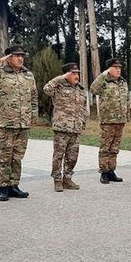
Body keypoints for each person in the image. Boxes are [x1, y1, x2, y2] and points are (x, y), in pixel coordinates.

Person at [0, 44, 37, 201]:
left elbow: (34, 96)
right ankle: (3, 187)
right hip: (6, 123)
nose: (20, 58)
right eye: (17, 55)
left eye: (22, 56)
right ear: (9, 58)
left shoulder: (28, 75)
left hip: (23, 123)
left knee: (17, 157)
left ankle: (14, 186)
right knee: (6, 156)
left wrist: (33, 116)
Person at [43, 62, 88, 192]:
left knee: (72, 156)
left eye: (77, 73)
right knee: (59, 155)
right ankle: (57, 180)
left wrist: (83, 123)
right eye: (73, 73)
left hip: (76, 128)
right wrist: (60, 78)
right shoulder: (58, 87)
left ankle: (67, 178)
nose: (76, 76)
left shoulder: (80, 89)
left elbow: (83, 108)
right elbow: (46, 89)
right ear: (66, 75)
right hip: (62, 128)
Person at [90, 58, 129, 184]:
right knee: (105, 147)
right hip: (108, 120)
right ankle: (104, 172)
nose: (118, 70)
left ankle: (111, 170)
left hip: (120, 120)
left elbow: (127, 100)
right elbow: (93, 89)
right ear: (108, 69)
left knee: (115, 147)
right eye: (115, 67)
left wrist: (126, 116)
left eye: (119, 67)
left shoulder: (123, 82)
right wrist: (103, 75)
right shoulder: (104, 81)